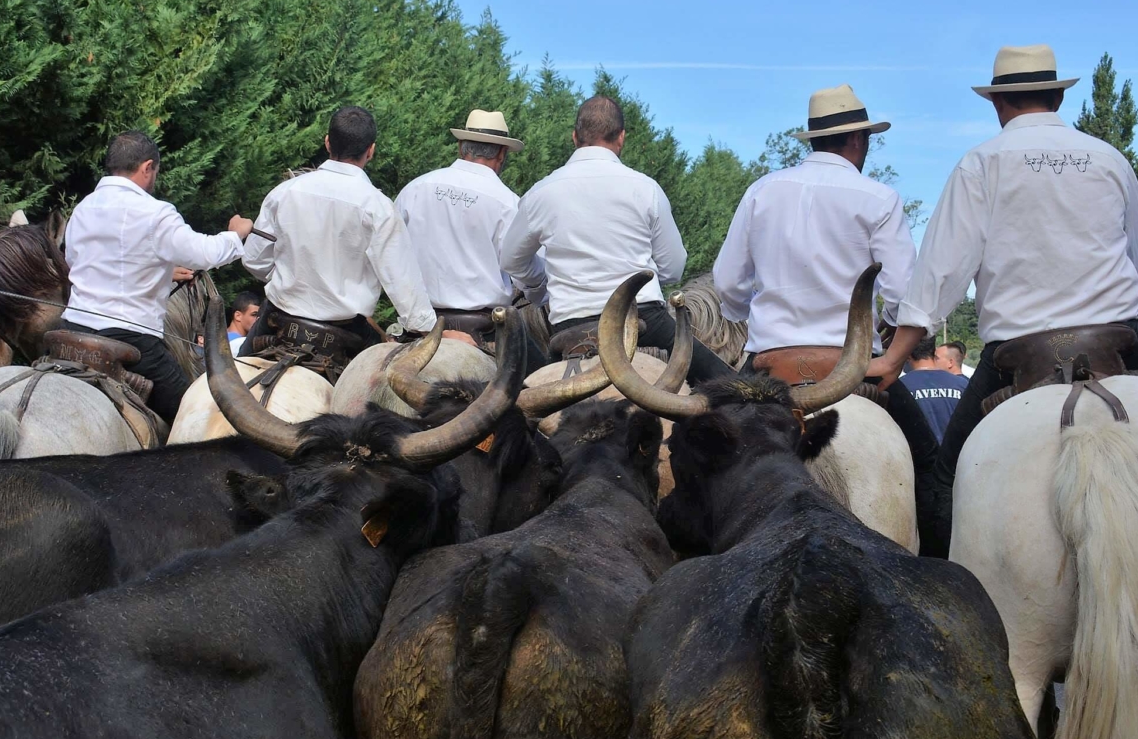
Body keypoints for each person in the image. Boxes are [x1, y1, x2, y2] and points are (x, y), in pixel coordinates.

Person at [868, 44, 1138, 556]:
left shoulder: (981, 163)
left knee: (942, 483)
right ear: (1057, 98)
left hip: (1019, 353)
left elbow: (940, 273)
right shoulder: (1111, 159)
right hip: (1121, 342)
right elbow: (1133, 250)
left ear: (998, 103)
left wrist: (892, 356)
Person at [712, 83, 939, 552]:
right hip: (853, 371)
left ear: (812, 140)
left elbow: (728, 285)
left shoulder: (762, 191)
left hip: (768, 372)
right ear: (858, 140)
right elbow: (902, 295)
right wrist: (889, 341)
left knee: (702, 465)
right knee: (939, 473)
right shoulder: (879, 198)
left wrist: (743, 314)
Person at [500, 95, 729, 384]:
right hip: (648, 323)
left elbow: (510, 260)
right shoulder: (647, 189)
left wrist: (539, 287)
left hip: (571, 326)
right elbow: (673, 268)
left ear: (574, 137)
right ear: (621, 137)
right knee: (731, 390)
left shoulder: (540, 192)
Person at [61, 131, 250, 423]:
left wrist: (162, 272)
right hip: (129, 339)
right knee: (195, 419)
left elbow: (79, 262)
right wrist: (236, 233)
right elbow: (203, 253)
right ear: (147, 167)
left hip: (72, 330)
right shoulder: (155, 212)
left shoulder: (84, 207)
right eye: (155, 171)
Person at [243, 106, 440, 351]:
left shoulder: (285, 192)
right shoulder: (379, 207)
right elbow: (404, 287)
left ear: (327, 143)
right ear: (371, 151)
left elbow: (254, 261)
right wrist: (430, 330)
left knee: (229, 374)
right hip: (346, 334)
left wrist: (292, 278)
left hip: (278, 321)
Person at [394, 109, 546, 369]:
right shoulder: (508, 203)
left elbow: (393, 257)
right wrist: (539, 290)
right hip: (486, 334)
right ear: (501, 153)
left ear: (461, 147)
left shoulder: (415, 188)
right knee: (541, 382)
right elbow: (524, 272)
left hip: (418, 329)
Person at [900, 337, 969, 444]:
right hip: (957, 456)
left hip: (918, 457)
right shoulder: (962, 384)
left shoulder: (900, 387)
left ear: (908, 355)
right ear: (934, 353)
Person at [226, 290, 261, 356]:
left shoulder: (219, 338)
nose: (258, 319)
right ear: (238, 316)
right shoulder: (241, 344)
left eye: (259, 315)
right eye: (254, 315)